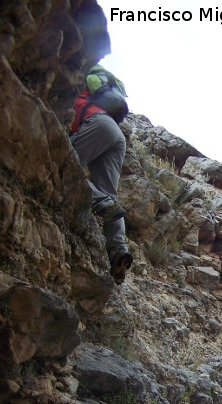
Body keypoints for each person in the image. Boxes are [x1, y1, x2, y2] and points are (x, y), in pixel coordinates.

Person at [70, 65, 133, 285]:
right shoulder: (98, 89)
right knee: (109, 191)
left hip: (96, 123)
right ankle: (118, 251)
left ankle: (102, 203)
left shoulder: (75, 84)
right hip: (116, 134)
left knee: (65, 168)